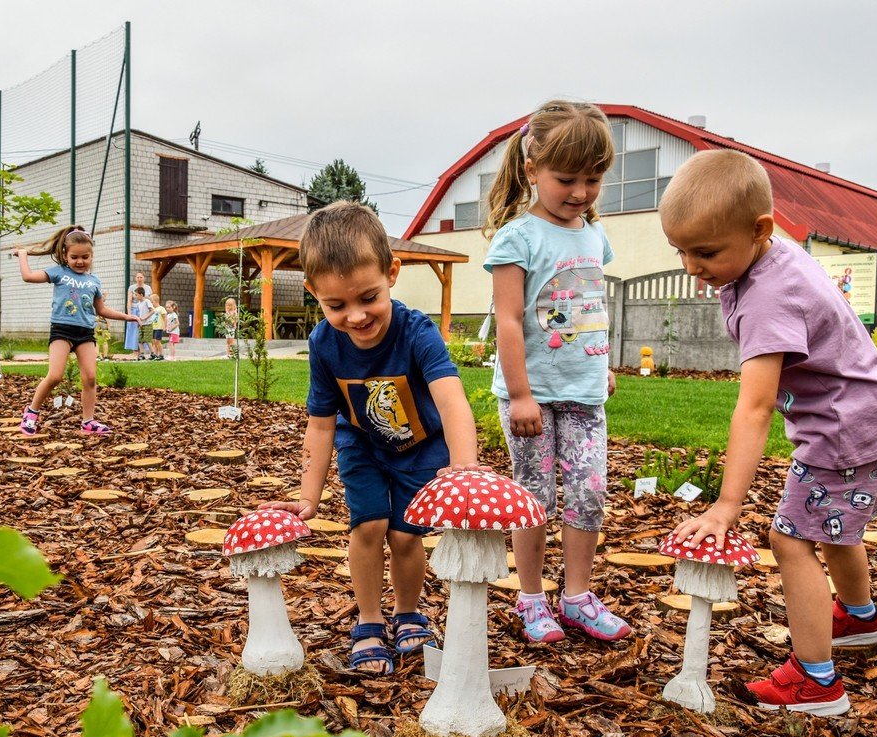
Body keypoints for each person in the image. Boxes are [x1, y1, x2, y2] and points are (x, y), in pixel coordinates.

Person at [660, 150, 877, 716]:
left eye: (706, 251)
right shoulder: (771, 254)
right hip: (863, 413)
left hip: (840, 429)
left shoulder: (769, 295)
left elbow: (755, 406)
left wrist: (726, 504)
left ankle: (816, 680)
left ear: (759, 229)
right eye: (682, 251)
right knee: (836, 530)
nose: (692, 266)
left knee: (791, 539)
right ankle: (860, 619)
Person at [261, 201, 482, 675]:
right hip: (360, 444)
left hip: (421, 446)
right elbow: (320, 424)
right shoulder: (324, 343)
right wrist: (308, 495)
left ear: (392, 272)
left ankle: (407, 613)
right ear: (312, 292)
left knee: (405, 536)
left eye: (368, 297)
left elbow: (451, 400)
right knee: (367, 527)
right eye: (336, 305)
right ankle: (368, 620)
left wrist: (463, 466)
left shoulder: (417, 331)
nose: (356, 316)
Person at [485, 100, 631, 644]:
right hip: (532, 396)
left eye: (593, 180)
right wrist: (520, 395)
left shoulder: (594, 236)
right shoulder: (518, 239)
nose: (580, 192)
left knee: (589, 492)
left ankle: (576, 597)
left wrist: (603, 364)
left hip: (584, 391)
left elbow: (591, 304)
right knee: (535, 495)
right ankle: (531, 599)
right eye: (566, 179)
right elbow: (508, 320)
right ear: (531, 171)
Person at [15, 225, 140, 436]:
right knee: (55, 376)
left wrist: (126, 316)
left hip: (85, 333)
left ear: (91, 256)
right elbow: (27, 276)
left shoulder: (94, 281)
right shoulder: (58, 272)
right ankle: (31, 412)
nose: (80, 261)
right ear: (65, 254)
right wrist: (22, 255)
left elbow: (101, 309)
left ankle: (88, 421)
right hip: (62, 330)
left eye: (85, 257)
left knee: (90, 378)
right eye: (74, 257)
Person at [124, 271, 148, 354]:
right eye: (138, 277)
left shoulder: (148, 288)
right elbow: (129, 301)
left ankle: (144, 351)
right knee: (133, 330)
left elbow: (151, 300)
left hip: (144, 311)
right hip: (134, 310)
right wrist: (129, 313)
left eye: (141, 277)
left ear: (144, 278)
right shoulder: (131, 287)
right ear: (135, 278)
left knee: (144, 330)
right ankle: (135, 352)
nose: (139, 279)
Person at [131, 287, 153, 361]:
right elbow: (140, 314)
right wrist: (139, 321)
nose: (135, 296)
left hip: (148, 323)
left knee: (147, 340)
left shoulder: (147, 301)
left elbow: (152, 311)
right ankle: (142, 355)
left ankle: (153, 354)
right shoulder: (138, 304)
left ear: (141, 294)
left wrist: (145, 317)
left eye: (136, 295)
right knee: (140, 340)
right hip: (141, 324)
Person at [148, 292, 166, 360]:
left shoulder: (161, 308)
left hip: (159, 327)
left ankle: (161, 355)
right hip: (153, 327)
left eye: (152, 302)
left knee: (157, 341)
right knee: (153, 341)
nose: (151, 304)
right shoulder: (153, 309)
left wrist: (165, 325)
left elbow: (165, 317)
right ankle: (155, 354)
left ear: (156, 301)